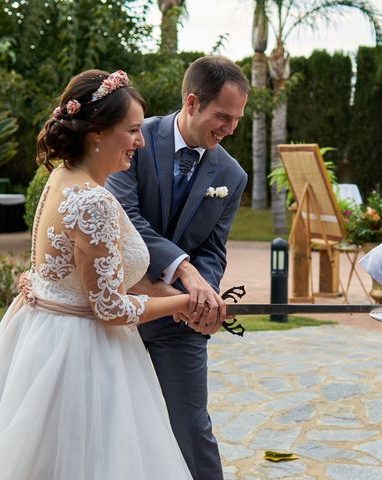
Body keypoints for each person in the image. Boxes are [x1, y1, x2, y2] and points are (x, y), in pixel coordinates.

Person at [0, 70, 210, 479]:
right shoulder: (93, 200)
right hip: (85, 357)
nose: (140, 141)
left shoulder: (59, 178)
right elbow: (110, 307)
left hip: (41, 338)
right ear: (97, 132)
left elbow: (68, 274)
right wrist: (184, 303)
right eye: (132, 130)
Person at [105, 55, 249, 480]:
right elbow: (126, 219)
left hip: (178, 324)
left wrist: (203, 296)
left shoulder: (232, 175)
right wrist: (185, 273)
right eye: (223, 116)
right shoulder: (132, 140)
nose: (229, 129)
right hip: (116, 312)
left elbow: (213, 249)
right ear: (192, 102)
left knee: (191, 428)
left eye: (237, 119)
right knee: (114, 426)